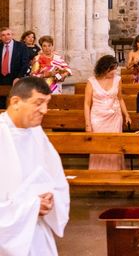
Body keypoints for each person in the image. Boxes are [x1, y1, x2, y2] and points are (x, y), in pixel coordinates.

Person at [0, 77, 70, 255]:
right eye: (38, 103)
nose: (45, 110)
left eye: (47, 103)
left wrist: (50, 198)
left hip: (37, 231)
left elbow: (57, 179)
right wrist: (30, 207)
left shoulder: (36, 133)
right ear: (16, 102)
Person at [84, 55, 132, 170]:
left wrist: (127, 115)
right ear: (104, 68)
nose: (113, 71)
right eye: (111, 69)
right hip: (98, 118)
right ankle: (97, 172)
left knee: (114, 145)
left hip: (115, 117)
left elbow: (120, 98)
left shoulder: (117, 79)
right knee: (99, 145)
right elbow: (86, 104)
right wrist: (88, 124)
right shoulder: (91, 81)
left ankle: (115, 172)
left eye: (114, 68)